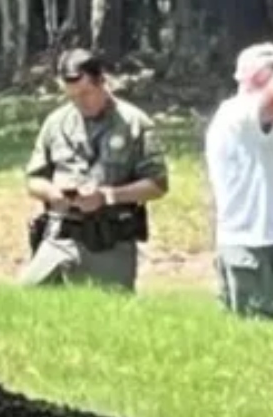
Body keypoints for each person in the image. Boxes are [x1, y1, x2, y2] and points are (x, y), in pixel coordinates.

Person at [21, 49, 168, 290]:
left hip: (110, 238)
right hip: (61, 234)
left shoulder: (134, 123)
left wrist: (107, 196)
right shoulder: (56, 123)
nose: (80, 101)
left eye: (86, 93)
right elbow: (34, 179)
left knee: (109, 315)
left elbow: (157, 184)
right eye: (72, 96)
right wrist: (54, 194)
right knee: (28, 298)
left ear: (102, 82)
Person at [206, 37, 273, 321]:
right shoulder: (245, 112)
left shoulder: (239, 117)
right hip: (256, 247)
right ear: (258, 76)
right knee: (271, 333)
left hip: (258, 243)